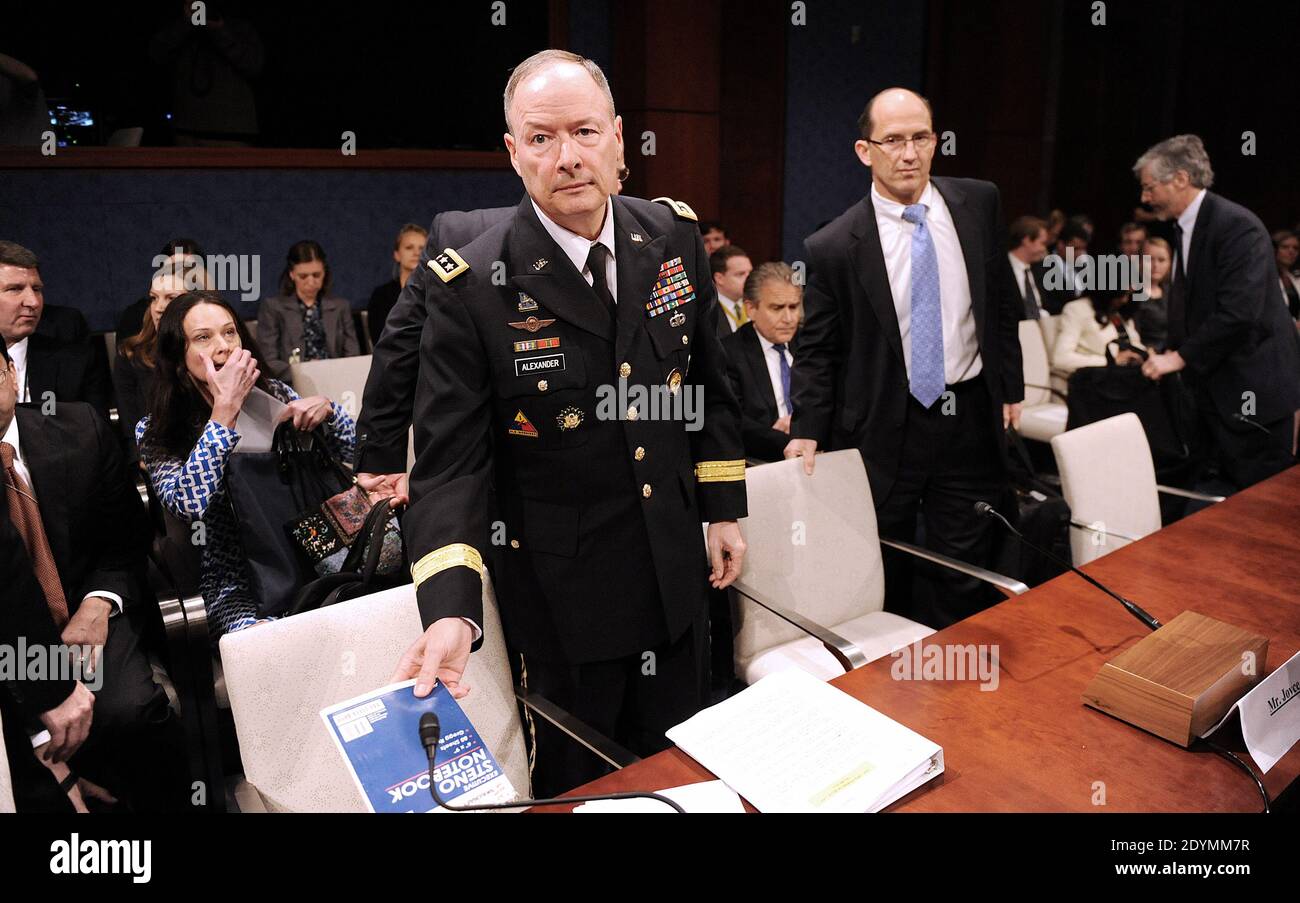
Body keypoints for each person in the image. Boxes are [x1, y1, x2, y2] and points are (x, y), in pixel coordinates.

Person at [387, 49, 748, 797]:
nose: (569, 157)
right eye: (543, 138)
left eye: (584, 131)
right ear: (515, 154)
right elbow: (451, 465)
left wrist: (721, 509)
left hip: (677, 575)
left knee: (684, 774)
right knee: (587, 789)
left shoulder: (672, 236)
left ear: (619, 138)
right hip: (566, 603)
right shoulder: (472, 285)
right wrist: (452, 609)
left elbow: (710, 382)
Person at [783, 87, 1023, 629]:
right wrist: (808, 426)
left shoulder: (979, 203)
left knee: (961, 566)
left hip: (967, 416)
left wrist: (1011, 387)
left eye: (921, 137)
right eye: (893, 140)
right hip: (883, 426)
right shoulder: (834, 245)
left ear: (936, 141)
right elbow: (819, 348)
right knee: (878, 560)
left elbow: (1001, 303)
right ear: (865, 151)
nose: (909, 153)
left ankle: (950, 680)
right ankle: (888, 680)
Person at [0, 340, 189, 811]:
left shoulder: (80, 428)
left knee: (131, 711)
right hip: (9, 642)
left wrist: (98, 603)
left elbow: (128, 539)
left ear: (10, 374)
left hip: (87, 605)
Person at [137, 291, 358, 636]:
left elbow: (359, 448)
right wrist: (224, 412)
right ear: (179, 355)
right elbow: (189, 505)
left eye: (229, 332)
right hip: (237, 583)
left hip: (318, 551)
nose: (222, 346)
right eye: (203, 338)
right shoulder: (157, 428)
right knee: (268, 641)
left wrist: (328, 410)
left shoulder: (276, 394)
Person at [1134, 134, 1300, 491]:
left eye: (1150, 187)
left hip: (1251, 396)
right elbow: (1191, 306)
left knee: (1258, 513)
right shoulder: (1183, 228)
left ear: (1180, 178)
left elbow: (1240, 312)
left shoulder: (1236, 225)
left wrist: (1179, 357)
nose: (1144, 198)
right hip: (1211, 395)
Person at [353, 207, 513, 485]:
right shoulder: (461, 235)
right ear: (516, 161)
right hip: (478, 463)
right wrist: (381, 459)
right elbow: (401, 344)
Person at [0, 241, 110, 421]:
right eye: (15, 289)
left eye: (37, 289)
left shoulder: (77, 363)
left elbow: (97, 439)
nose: (33, 302)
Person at [115, 258, 211, 461]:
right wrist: (142, 459)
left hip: (216, 453)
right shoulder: (132, 354)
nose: (158, 308)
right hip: (160, 459)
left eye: (170, 298)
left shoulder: (220, 351)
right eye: (153, 298)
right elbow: (130, 420)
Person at [723, 262, 803, 462]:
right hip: (759, 463)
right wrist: (794, 438)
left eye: (793, 307)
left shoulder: (811, 346)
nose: (789, 318)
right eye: (777, 308)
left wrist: (802, 424)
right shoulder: (727, 353)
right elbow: (733, 422)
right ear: (750, 308)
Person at [257, 240, 360, 382]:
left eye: (316, 275)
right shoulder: (273, 308)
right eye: (303, 276)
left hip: (337, 380)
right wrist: (307, 371)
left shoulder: (341, 307)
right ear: (292, 274)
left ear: (324, 272)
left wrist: (331, 370)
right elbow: (268, 361)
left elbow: (353, 357)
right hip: (293, 384)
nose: (311, 282)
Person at [115, 238, 205, 341]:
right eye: (171, 268)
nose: (177, 273)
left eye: (187, 269)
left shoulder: (216, 316)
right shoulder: (134, 317)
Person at [1051, 291, 1147, 375]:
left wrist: (1142, 353)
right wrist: (1110, 361)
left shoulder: (1120, 310)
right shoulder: (1077, 309)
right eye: (1122, 294)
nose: (1124, 300)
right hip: (1099, 380)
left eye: (1129, 294)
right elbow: (1061, 359)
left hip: (1130, 374)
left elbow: (1132, 341)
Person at [366, 223, 428, 347]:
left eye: (422, 248)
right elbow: (379, 339)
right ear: (397, 255)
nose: (416, 253)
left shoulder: (438, 291)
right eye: (409, 247)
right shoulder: (381, 296)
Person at [1006, 215, 1050, 320]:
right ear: (1027, 240)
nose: (1044, 249)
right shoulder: (1002, 270)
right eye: (1042, 243)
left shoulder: (1039, 271)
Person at [1135, 236, 1173, 352]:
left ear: (1170, 263)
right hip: (1145, 357)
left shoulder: (1174, 292)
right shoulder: (1132, 294)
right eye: (1149, 259)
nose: (1155, 265)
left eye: (1161, 260)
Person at [710, 244, 753, 337]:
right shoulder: (707, 311)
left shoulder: (757, 304)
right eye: (740, 274)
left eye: (750, 273)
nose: (749, 279)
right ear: (719, 278)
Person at [1273, 229, 1300, 322]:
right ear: (1274, 249)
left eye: (1295, 248)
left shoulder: (1295, 278)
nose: (1291, 251)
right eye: (1285, 247)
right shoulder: (1265, 277)